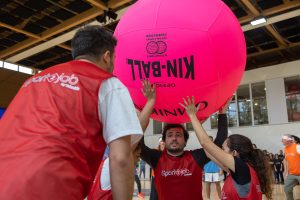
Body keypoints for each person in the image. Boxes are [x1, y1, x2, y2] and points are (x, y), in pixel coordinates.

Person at [0, 25, 143, 200]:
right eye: (114, 58)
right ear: (107, 56)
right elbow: (120, 158)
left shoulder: (33, 81)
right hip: (48, 187)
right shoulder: (106, 83)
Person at [180, 96, 272, 200]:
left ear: (234, 153)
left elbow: (206, 143)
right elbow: (208, 152)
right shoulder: (237, 170)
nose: (220, 151)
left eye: (223, 149)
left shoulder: (242, 168)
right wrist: (221, 114)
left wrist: (192, 116)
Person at [140, 98, 231, 200]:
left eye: (178, 135)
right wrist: (144, 113)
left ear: (185, 141)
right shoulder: (156, 158)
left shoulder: (196, 157)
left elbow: (218, 143)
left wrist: (222, 114)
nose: (174, 138)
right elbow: (139, 146)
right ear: (164, 141)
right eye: (170, 135)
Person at [88, 80, 156, 200]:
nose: (138, 159)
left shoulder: (110, 168)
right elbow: (137, 133)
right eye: (137, 155)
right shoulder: (110, 165)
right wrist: (150, 101)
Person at [282, 134, 300, 200]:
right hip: (291, 174)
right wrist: (286, 171)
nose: (282, 141)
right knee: (287, 189)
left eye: (283, 140)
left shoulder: (297, 147)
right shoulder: (285, 149)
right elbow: (286, 160)